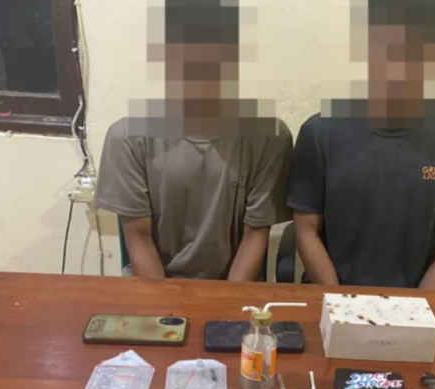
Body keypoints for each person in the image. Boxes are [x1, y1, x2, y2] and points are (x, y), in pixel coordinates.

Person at [288, 0, 435, 289]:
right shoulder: (320, 132)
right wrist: (341, 303)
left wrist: (415, 308)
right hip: (332, 294)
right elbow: (306, 233)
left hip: (419, 299)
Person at [96, 0, 292, 281]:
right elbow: (138, 239)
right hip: (156, 284)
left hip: (234, 285)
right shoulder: (127, 137)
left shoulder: (269, 136)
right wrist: (166, 306)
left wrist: (224, 304)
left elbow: (255, 234)